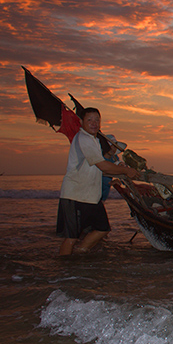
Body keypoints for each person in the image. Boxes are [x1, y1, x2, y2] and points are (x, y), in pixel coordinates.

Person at [57, 108, 140, 255]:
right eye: (89, 120)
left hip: (91, 197)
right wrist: (126, 171)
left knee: (103, 228)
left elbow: (102, 170)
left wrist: (122, 174)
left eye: (97, 120)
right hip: (75, 195)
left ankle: (81, 251)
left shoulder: (94, 141)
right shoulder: (84, 138)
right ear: (81, 122)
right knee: (71, 237)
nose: (94, 123)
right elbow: (102, 164)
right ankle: (64, 268)